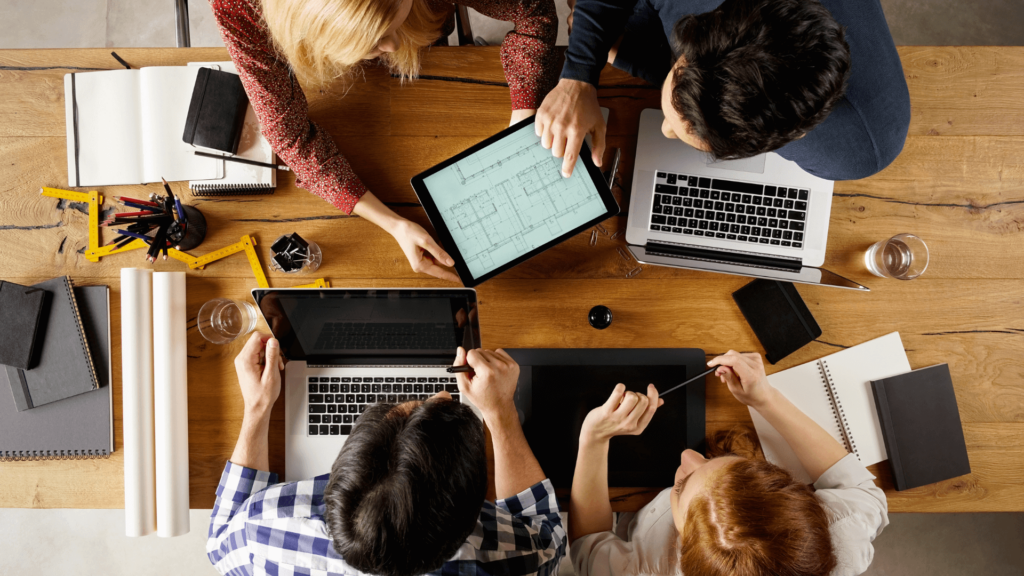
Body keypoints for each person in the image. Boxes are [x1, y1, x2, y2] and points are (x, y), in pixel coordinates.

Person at [209, 0, 558, 283]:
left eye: (390, 18)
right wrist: (393, 224)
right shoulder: (237, 5)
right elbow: (288, 136)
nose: (391, 47)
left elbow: (534, 11)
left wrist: (522, 120)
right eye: (373, 37)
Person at [207, 333, 566, 576]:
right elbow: (546, 534)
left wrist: (256, 408)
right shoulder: (515, 560)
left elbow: (220, 539)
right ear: (472, 512)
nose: (440, 395)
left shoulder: (263, 529)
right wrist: (500, 412)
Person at [568, 350, 888, 576]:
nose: (688, 456)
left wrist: (593, 440)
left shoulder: (642, 570)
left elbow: (588, 548)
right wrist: (766, 398)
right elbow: (859, 489)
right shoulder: (843, 530)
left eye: (680, 487)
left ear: (685, 550)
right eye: (731, 462)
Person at [536, 0, 911, 182]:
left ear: (792, 137)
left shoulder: (858, 149)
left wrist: (630, 54)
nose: (665, 130)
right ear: (698, 28)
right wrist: (579, 77)